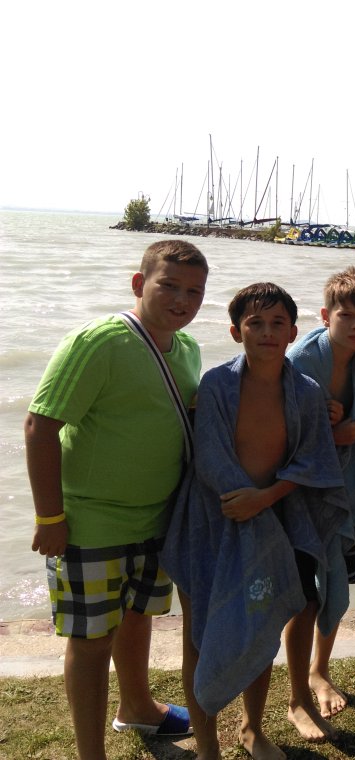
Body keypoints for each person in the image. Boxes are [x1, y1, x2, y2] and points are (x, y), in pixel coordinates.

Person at [25, 240, 206, 759]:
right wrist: (49, 517)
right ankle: (92, 754)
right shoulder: (100, 341)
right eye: (168, 285)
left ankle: (138, 706)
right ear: (138, 283)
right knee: (91, 642)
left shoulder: (188, 348)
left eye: (194, 291)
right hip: (92, 523)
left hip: (158, 519)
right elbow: (40, 426)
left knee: (138, 617)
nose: (181, 300)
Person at [163, 283, 352, 758]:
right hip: (210, 521)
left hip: (273, 522)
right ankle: (207, 744)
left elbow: (313, 461)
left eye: (277, 323)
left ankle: (252, 728)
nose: (267, 332)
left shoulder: (306, 392)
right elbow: (209, 456)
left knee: (263, 625)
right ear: (235, 332)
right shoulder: (216, 385)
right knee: (198, 635)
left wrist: (264, 499)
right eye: (255, 323)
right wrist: (243, 502)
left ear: (293, 332)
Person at [285, 268, 355, 738]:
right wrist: (330, 433)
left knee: (337, 582)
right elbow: (277, 429)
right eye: (347, 316)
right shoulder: (300, 361)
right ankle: (297, 692)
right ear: (325, 315)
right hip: (300, 496)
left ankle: (320, 669)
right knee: (304, 597)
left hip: (347, 492)